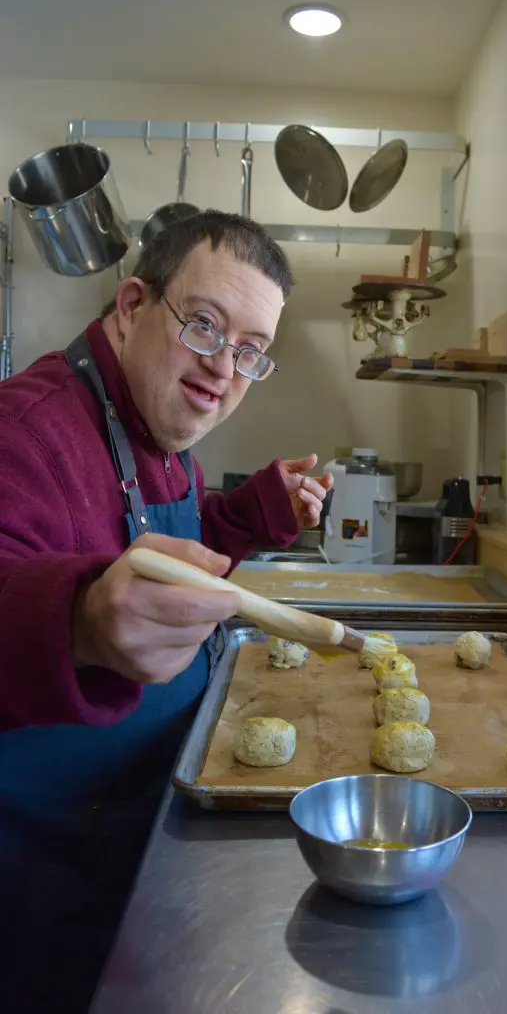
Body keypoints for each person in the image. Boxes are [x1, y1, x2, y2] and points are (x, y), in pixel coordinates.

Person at [0, 210, 332, 1011]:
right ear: (131, 305)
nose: (223, 367)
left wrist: (252, 515)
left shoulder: (156, 432)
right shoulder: (26, 432)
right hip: (38, 880)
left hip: (141, 830)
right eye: (205, 325)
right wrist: (81, 620)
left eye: (250, 351)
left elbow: (155, 556)